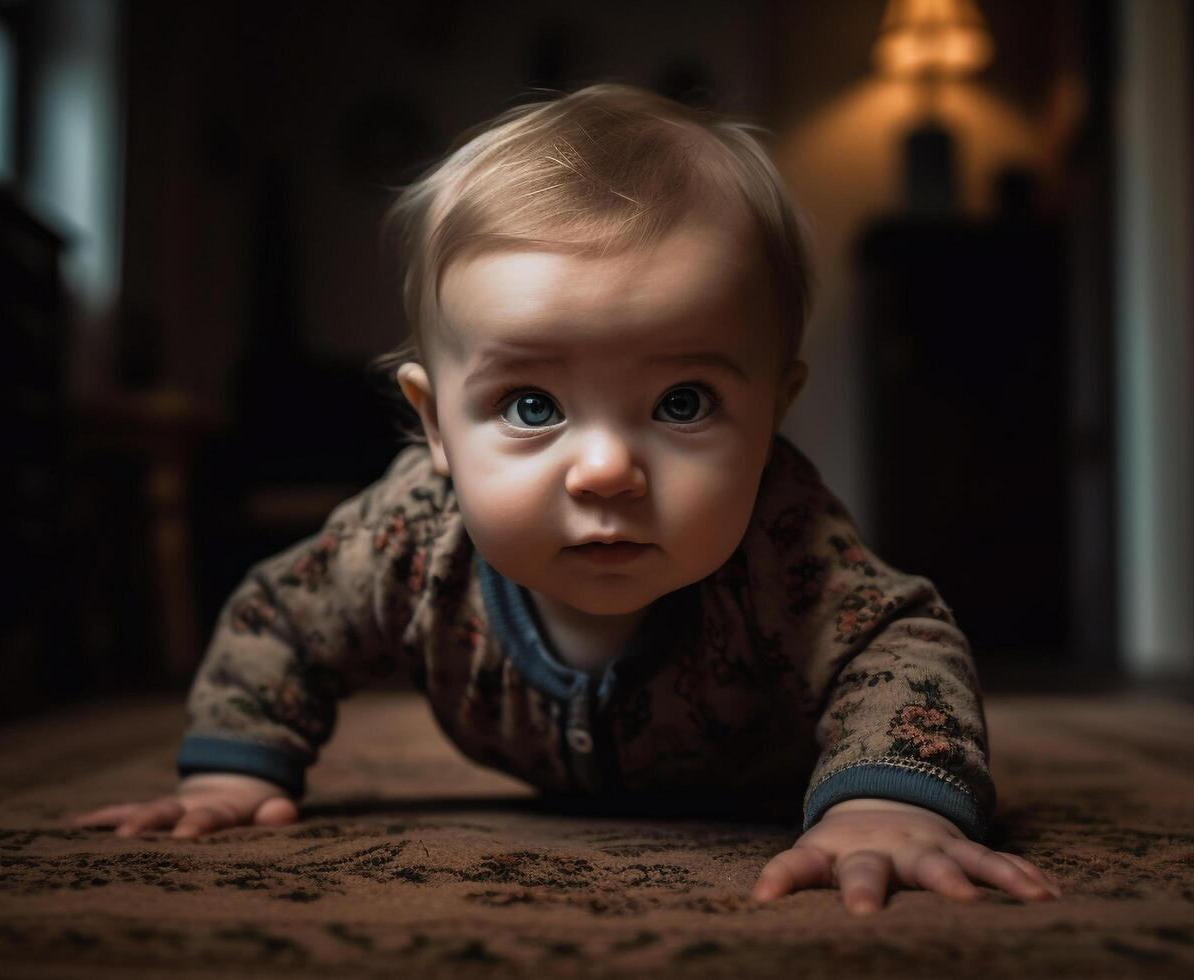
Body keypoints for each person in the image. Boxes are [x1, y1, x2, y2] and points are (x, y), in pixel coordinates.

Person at [72, 83, 1062, 915]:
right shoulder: (409, 538)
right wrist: (237, 764)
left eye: (682, 402)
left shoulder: (784, 538)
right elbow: (281, 617)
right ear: (434, 425)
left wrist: (889, 801)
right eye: (531, 403)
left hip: (762, 763)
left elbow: (900, 641)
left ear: (770, 414)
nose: (602, 469)